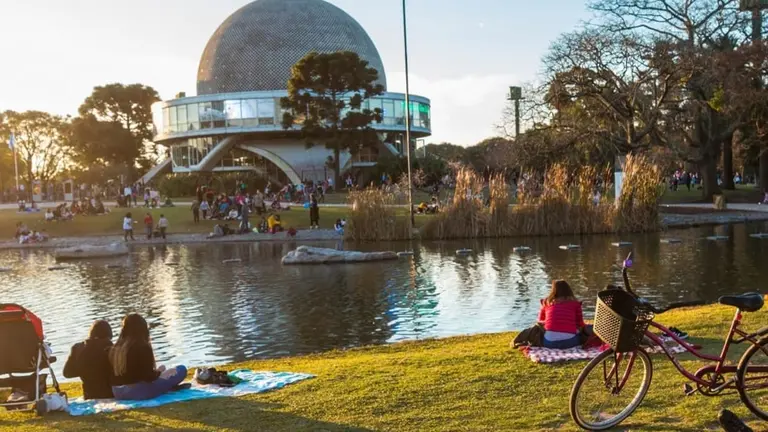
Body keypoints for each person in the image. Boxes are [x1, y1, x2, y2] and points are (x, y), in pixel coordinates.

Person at [109, 313, 188, 401]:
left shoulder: (115, 348)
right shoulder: (142, 346)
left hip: (118, 393)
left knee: (163, 369)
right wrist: (162, 373)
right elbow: (149, 377)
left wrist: (159, 372)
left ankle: (165, 385)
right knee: (181, 369)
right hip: (139, 392)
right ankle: (167, 386)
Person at [63, 320, 114, 400]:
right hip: (109, 393)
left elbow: (67, 373)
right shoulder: (109, 347)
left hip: (89, 395)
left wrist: (83, 369)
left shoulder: (77, 348)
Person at [537, 280, 591, 349]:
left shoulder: (546, 303)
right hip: (570, 343)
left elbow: (540, 321)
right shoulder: (575, 304)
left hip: (549, 343)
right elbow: (580, 324)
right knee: (586, 331)